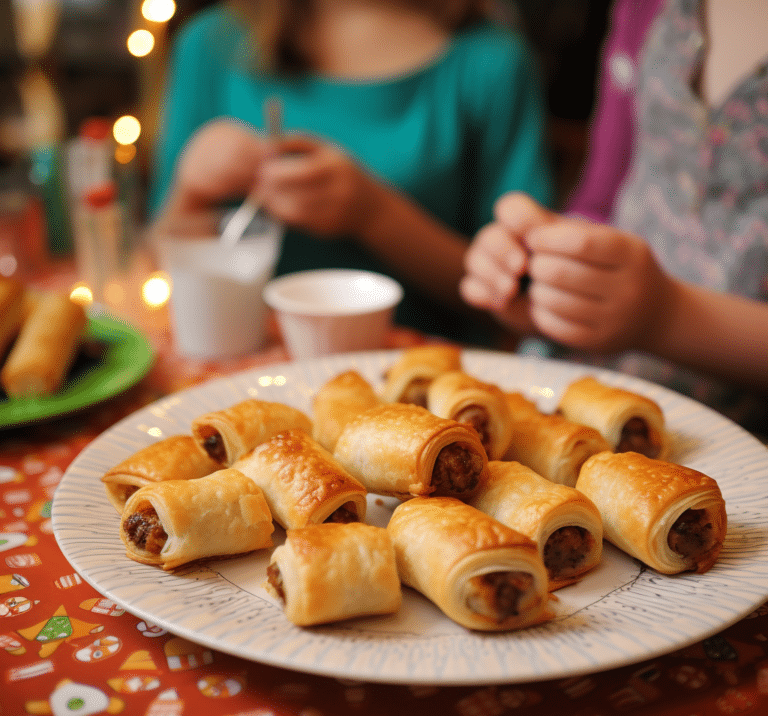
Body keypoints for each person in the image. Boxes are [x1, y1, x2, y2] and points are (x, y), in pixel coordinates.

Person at [148, 0, 554, 346]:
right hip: (241, 373)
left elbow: (523, 299)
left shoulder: (490, 63)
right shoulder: (210, 45)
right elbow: (155, 257)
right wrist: (193, 188)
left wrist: (374, 214)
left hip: (430, 387)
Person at [460, 0, 768, 432]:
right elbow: (600, 202)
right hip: (586, 395)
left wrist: (667, 317)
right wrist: (546, 275)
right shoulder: (644, 7)